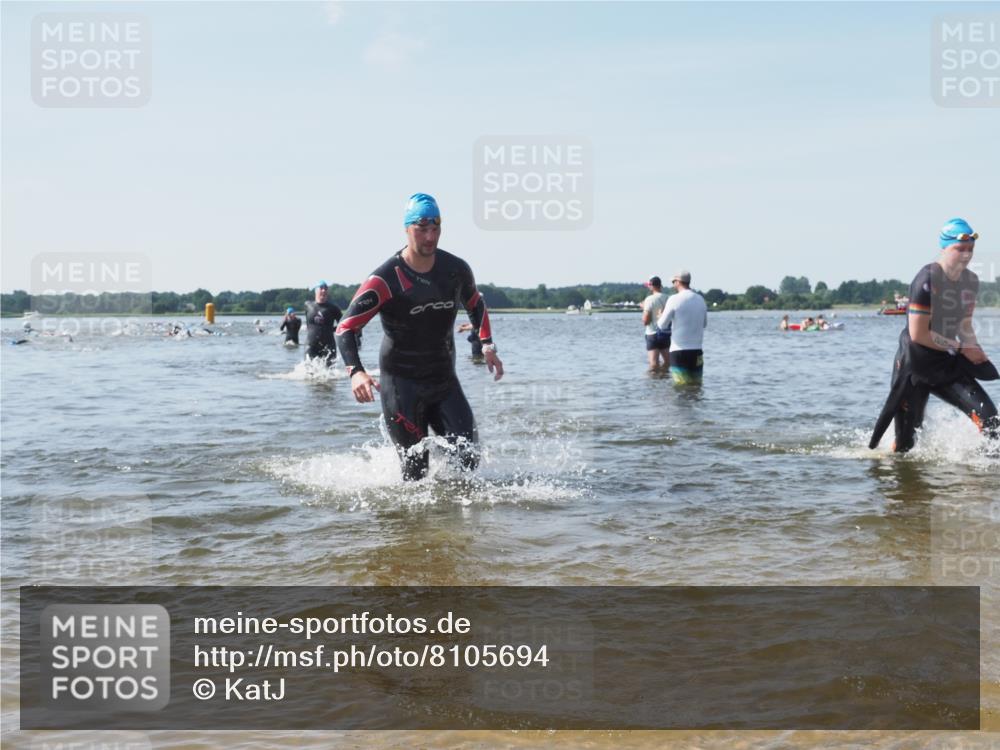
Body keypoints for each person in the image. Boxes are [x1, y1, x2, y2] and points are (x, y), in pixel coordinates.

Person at [335, 193, 504, 480]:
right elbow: (345, 327)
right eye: (422, 229)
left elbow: (475, 303)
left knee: (468, 460)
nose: (430, 236)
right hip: (402, 387)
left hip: (444, 382)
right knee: (416, 470)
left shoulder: (455, 270)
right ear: (406, 229)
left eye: (436, 228)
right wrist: (356, 372)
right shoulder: (386, 278)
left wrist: (486, 343)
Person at [871, 218, 998, 452]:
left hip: (946, 362)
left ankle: (985, 481)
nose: (966, 255)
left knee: (991, 420)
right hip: (914, 365)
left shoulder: (971, 281)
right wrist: (960, 348)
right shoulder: (927, 279)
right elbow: (918, 334)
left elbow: (964, 325)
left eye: (970, 249)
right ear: (944, 247)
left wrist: (973, 348)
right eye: (959, 249)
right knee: (906, 447)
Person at [656, 270, 707, 384]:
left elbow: (662, 325)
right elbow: (704, 324)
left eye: (673, 281)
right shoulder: (700, 299)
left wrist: (660, 316)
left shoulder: (674, 299)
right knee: (696, 386)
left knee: (681, 387)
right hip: (697, 351)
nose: (673, 284)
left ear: (678, 282)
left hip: (679, 352)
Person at [305, 281, 342, 365]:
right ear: (315, 290)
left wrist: (330, 329)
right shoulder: (308, 305)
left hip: (328, 346)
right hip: (311, 345)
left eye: (326, 288)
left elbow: (343, 325)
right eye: (321, 288)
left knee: (330, 374)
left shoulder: (333, 308)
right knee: (308, 372)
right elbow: (308, 324)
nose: (324, 290)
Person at [641, 276, 671, 371]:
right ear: (660, 285)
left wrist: (644, 308)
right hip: (665, 333)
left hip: (652, 334)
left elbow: (646, 321)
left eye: (649, 285)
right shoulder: (668, 298)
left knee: (654, 364)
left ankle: (654, 383)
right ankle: (664, 378)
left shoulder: (649, 299)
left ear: (651, 286)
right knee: (667, 362)